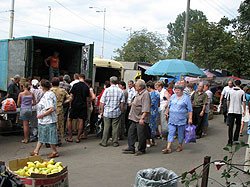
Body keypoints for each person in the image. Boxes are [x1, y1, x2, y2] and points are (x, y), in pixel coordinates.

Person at [30, 80, 59, 158]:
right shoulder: (48, 94)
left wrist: (41, 115)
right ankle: (36, 151)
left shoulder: (48, 96)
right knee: (42, 136)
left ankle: (54, 151)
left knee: (49, 136)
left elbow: (51, 108)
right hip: (44, 121)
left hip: (47, 120)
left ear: (42, 87)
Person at [122, 79, 151, 156]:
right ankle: (131, 147)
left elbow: (146, 107)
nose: (135, 86)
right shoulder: (138, 93)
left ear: (140, 87)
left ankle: (141, 149)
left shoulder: (145, 94)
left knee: (141, 134)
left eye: (136, 85)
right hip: (134, 117)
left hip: (140, 118)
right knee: (131, 132)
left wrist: (142, 118)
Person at [162, 84, 193, 153]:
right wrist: (167, 112)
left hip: (181, 119)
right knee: (171, 132)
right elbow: (169, 105)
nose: (176, 91)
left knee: (180, 133)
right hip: (172, 118)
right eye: (175, 90)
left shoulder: (186, 98)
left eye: (178, 90)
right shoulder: (173, 96)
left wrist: (190, 118)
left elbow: (190, 109)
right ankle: (168, 147)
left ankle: (180, 145)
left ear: (182, 91)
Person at [99, 76, 125, 147]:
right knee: (115, 128)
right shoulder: (120, 91)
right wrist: (121, 110)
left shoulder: (106, 90)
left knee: (106, 127)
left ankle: (104, 142)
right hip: (116, 112)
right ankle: (115, 142)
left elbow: (102, 102)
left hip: (107, 112)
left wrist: (101, 110)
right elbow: (122, 103)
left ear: (110, 82)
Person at [66, 74, 90, 143]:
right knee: (81, 120)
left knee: (69, 119)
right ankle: (78, 138)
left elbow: (71, 96)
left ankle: (70, 137)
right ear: (84, 79)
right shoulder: (86, 87)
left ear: (79, 78)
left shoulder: (75, 85)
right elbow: (87, 99)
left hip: (74, 104)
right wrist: (87, 106)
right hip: (83, 105)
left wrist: (70, 105)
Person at [51, 77, 72, 145]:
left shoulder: (50, 90)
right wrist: (64, 102)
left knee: (51, 124)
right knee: (59, 124)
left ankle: (51, 140)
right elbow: (70, 98)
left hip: (51, 109)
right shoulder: (62, 90)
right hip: (60, 108)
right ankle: (58, 139)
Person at [227, 80, 246, 145]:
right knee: (238, 125)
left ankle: (230, 140)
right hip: (238, 111)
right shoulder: (242, 92)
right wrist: (244, 110)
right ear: (240, 85)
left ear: (234, 84)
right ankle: (235, 139)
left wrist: (227, 109)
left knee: (230, 126)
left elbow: (228, 100)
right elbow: (243, 102)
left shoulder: (230, 91)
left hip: (231, 110)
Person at [146, 81, 160, 147]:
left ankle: (148, 141)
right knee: (154, 126)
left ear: (149, 87)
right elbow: (158, 103)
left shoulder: (149, 94)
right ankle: (153, 140)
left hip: (150, 112)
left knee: (148, 127)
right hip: (156, 112)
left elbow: (150, 103)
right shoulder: (157, 94)